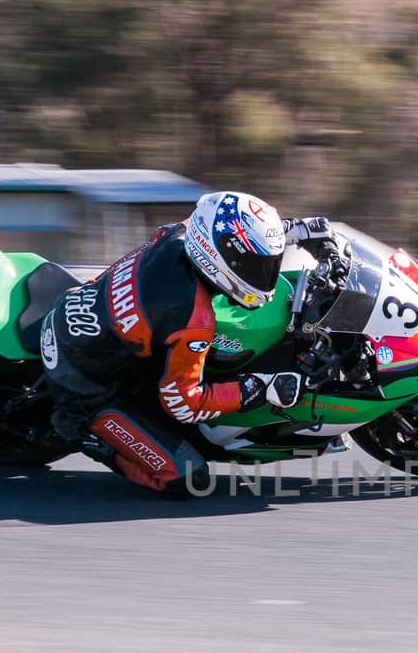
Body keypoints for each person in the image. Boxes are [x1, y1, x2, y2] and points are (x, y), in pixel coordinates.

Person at [38, 190, 336, 492]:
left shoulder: (180, 233)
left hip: (83, 312)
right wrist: (259, 389)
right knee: (187, 478)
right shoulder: (193, 317)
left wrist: (300, 230)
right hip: (84, 383)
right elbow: (182, 403)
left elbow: (239, 239)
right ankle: (83, 433)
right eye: (256, 266)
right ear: (218, 257)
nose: (264, 274)